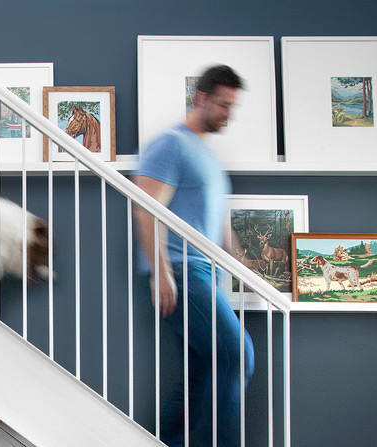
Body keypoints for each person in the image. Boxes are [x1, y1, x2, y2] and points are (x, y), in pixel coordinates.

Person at [134, 65, 255, 447]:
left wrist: (246, 265)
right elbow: (146, 208)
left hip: (204, 272)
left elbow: (216, 223)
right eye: (222, 104)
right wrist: (161, 272)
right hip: (183, 272)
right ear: (201, 97)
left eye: (232, 107)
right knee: (237, 356)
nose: (227, 114)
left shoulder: (207, 156)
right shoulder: (171, 144)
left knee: (202, 376)